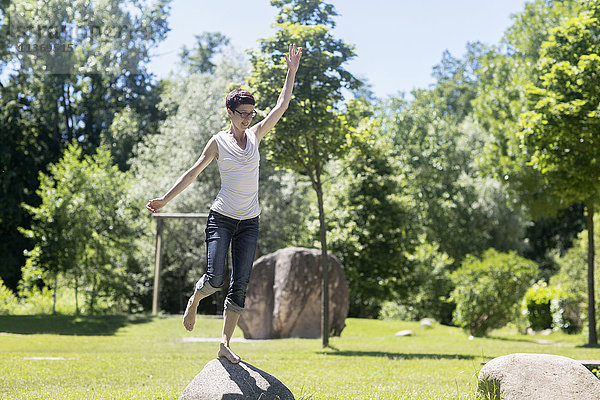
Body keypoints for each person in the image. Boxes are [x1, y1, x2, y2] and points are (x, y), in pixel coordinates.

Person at [146, 44, 302, 364]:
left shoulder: (257, 135)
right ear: (230, 113)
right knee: (215, 279)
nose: (248, 118)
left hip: (250, 222)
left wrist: (291, 72)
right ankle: (195, 299)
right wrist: (165, 199)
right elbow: (192, 173)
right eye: (242, 113)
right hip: (222, 219)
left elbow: (282, 104)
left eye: (251, 113)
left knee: (239, 284)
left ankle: (225, 343)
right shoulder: (218, 142)